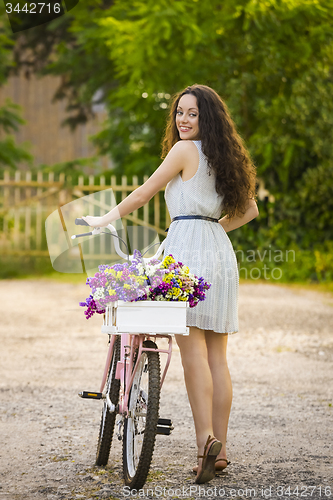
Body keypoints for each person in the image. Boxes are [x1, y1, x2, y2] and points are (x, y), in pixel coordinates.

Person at [82, 84, 259, 484]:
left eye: (192, 113)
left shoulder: (184, 152)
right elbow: (250, 209)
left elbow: (144, 193)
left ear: (206, 118)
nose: (182, 119)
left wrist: (102, 220)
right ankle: (222, 449)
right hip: (219, 250)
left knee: (192, 351)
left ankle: (204, 446)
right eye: (179, 112)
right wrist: (215, 229)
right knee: (218, 357)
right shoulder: (225, 156)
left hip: (188, 253)